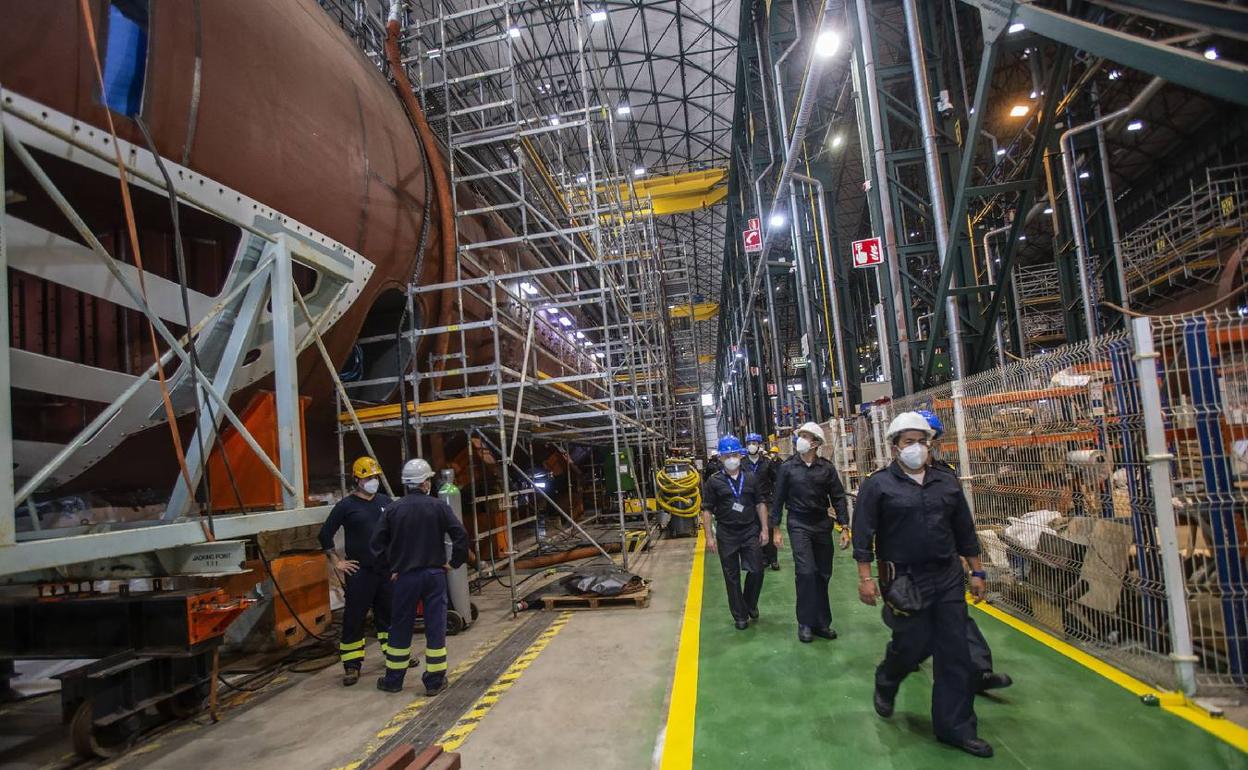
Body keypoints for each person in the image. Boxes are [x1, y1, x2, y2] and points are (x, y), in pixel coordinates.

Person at [852, 411, 993, 758]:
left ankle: (955, 727)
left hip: (946, 575)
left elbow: (964, 529)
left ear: (930, 444)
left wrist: (977, 572)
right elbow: (863, 533)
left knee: (954, 650)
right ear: (895, 447)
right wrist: (865, 579)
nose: (916, 447)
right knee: (913, 643)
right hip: (902, 578)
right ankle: (887, 678)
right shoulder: (879, 485)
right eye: (908, 442)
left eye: (921, 441)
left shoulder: (945, 481)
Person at [915, 409, 1013, 694]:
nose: (924, 444)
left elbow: (961, 523)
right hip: (912, 563)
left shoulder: (946, 476)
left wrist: (975, 568)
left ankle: (979, 671)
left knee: (956, 614)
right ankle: (907, 654)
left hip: (945, 561)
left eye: (929, 438)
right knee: (917, 621)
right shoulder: (891, 480)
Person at [371, 458, 469, 695]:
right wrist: (453, 563)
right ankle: (434, 682)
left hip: (405, 577)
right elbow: (460, 536)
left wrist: (390, 570)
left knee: (400, 626)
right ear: (426, 482)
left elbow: (376, 546)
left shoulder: (393, 509)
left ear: (406, 484)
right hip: (434, 575)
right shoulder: (439, 507)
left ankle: (394, 680)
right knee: (435, 626)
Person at [318, 456, 394, 686]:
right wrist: (336, 561)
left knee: (388, 616)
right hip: (360, 572)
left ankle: (395, 655)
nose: (373, 481)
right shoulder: (346, 506)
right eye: (368, 477)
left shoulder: (385, 501)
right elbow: (324, 534)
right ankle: (352, 665)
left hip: (385, 569)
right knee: (354, 618)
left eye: (375, 477)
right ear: (357, 479)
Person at [770, 422, 849, 643]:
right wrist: (776, 529)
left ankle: (822, 623)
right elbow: (778, 499)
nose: (800, 440)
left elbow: (838, 497)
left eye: (805, 436)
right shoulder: (787, 468)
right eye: (800, 435)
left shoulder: (826, 468)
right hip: (798, 524)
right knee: (805, 573)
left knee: (823, 574)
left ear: (815, 442)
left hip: (822, 524)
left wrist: (844, 526)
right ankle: (805, 623)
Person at [700, 435, 770, 630]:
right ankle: (740, 615)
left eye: (734, 454)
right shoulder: (714, 482)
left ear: (740, 455)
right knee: (731, 577)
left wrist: (765, 529)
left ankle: (750, 603)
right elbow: (706, 510)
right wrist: (709, 537)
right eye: (727, 455)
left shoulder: (750, 478)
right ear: (721, 458)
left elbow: (760, 503)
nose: (731, 458)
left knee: (757, 570)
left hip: (749, 531)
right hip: (726, 533)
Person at [744, 432, 780, 571]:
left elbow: (775, 479)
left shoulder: (767, 463)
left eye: (754, 443)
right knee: (755, 529)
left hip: (766, 500)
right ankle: (763, 558)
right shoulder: (743, 464)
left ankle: (773, 559)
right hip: (750, 502)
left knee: (769, 528)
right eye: (749, 443)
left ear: (759, 446)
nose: (752, 446)